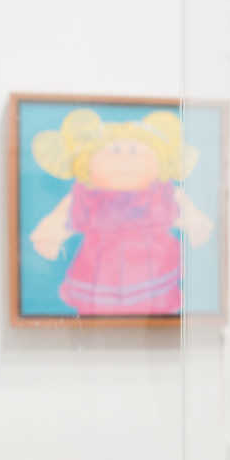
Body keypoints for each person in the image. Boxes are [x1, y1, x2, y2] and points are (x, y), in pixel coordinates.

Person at [29, 108, 215, 315]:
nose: (125, 160)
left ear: (161, 162)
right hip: (100, 270)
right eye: (114, 151)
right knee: (96, 308)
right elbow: (58, 222)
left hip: (155, 269)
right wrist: (50, 240)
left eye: (135, 152)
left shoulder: (167, 196)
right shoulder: (85, 198)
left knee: (159, 305)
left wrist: (198, 232)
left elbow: (196, 223)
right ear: (87, 163)